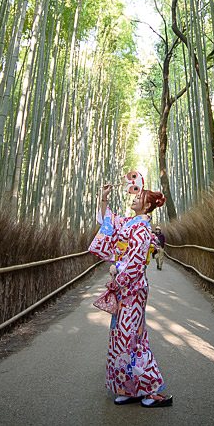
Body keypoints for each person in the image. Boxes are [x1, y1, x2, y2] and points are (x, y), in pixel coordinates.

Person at [89, 174, 173, 408]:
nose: (134, 197)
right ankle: (129, 388)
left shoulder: (143, 230)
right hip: (125, 290)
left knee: (132, 338)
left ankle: (150, 389)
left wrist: (119, 277)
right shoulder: (130, 223)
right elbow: (109, 222)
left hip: (132, 290)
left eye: (139, 196)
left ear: (147, 204)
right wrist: (103, 199)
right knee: (120, 338)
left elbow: (136, 261)